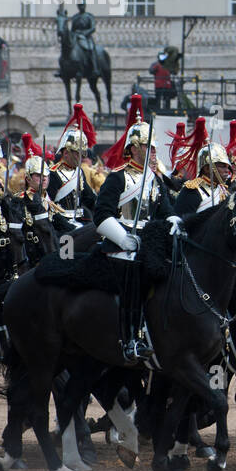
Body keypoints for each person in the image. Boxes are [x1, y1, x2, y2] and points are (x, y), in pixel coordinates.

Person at [93, 117, 176, 362]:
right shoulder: (118, 178)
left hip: (149, 241)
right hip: (122, 243)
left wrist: (175, 223)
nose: (153, 152)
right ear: (133, 148)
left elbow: (166, 211)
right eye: (148, 147)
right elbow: (101, 215)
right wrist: (122, 239)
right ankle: (131, 338)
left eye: (154, 148)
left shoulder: (155, 180)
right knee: (134, 271)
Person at [48, 105, 98, 231]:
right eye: (77, 153)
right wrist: (69, 227)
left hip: (80, 221)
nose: (81, 157)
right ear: (65, 153)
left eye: (82, 153)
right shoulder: (53, 174)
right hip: (61, 225)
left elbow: (89, 198)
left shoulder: (78, 172)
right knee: (68, 249)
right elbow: (51, 207)